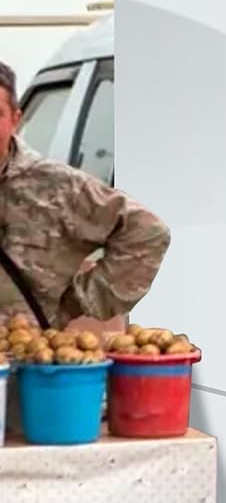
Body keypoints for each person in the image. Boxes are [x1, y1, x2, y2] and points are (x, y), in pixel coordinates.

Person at [0, 59, 171, 329]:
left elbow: (147, 233)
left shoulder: (56, 186)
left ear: (15, 119)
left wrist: (78, 302)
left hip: (26, 352)